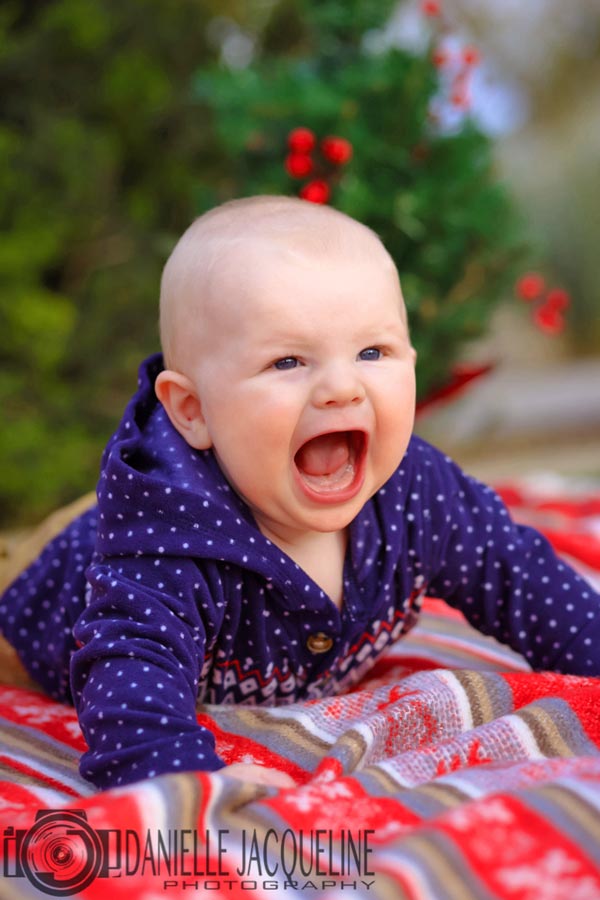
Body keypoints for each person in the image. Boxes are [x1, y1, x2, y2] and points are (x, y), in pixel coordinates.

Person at [1, 196, 598, 791]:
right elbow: (131, 670)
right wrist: (176, 784)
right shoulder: (170, 541)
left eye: (372, 352)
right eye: (287, 361)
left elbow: (522, 577)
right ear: (193, 410)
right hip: (52, 580)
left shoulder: (420, 494)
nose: (341, 386)